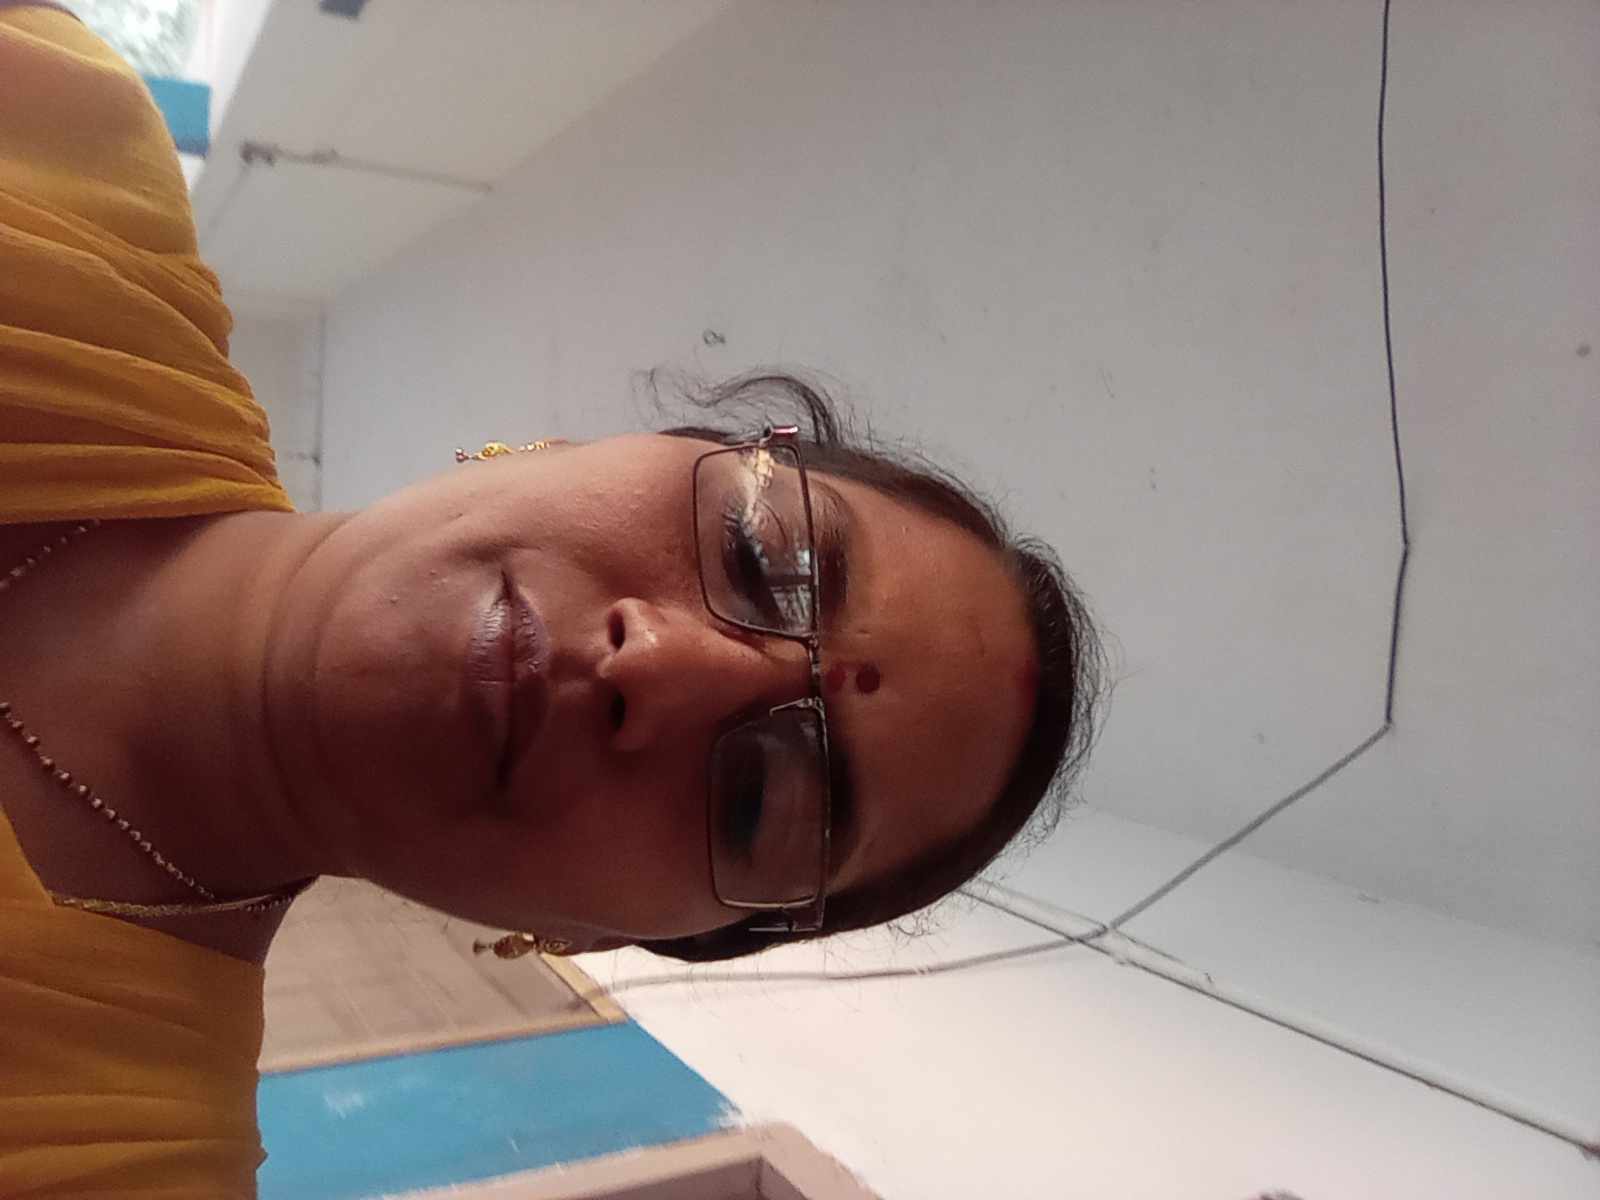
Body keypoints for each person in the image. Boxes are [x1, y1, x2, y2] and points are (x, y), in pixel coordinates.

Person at [0, 4, 1104, 1196]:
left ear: (596, 939)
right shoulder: (52, 146)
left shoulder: (107, 1161)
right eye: (754, 552)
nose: (664, 668)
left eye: (761, 806)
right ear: (581, 446)